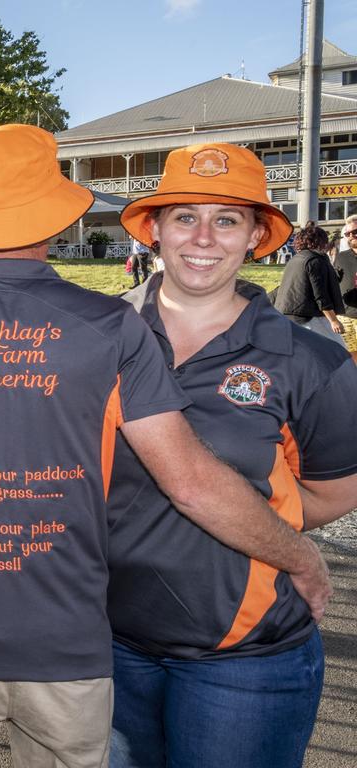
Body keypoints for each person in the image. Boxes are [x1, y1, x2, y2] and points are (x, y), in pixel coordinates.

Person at [0, 125, 330, 768]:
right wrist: (298, 556)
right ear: (54, 211)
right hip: (70, 643)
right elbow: (185, 477)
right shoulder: (112, 327)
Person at [110, 142, 357, 768]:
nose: (203, 237)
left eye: (227, 219)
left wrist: (239, 521)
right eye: (184, 216)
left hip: (247, 661)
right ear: (155, 230)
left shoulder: (310, 359)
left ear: (254, 236)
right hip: (104, 645)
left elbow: (332, 493)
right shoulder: (97, 336)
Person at [274, 221, 347, 347]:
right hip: (310, 317)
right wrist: (334, 321)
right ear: (322, 241)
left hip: (288, 316)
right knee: (337, 351)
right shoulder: (316, 260)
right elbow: (320, 294)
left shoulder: (296, 259)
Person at [333, 215, 357, 356]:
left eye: (355, 232)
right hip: (345, 318)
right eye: (347, 234)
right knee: (349, 356)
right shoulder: (341, 257)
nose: (351, 236)